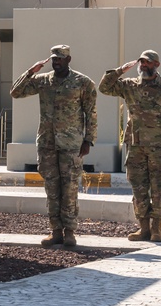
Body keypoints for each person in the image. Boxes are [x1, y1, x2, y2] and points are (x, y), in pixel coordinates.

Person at [10, 44, 97, 247]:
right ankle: (55, 230)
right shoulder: (43, 81)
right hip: (47, 143)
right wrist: (31, 72)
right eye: (54, 58)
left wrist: (88, 140)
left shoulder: (83, 83)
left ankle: (70, 232)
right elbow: (15, 92)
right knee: (52, 188)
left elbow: (91, 113)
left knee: (70, 188)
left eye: (60, 58)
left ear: (68, 60)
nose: (56, 61)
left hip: (72, 144)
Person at [99, 49, 161, 243]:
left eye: (148, 62)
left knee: (158, 189)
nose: (144, 65)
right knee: (138, 188)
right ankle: (143, 229)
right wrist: (120, 70)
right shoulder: (130, 85)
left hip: (160, 147)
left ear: (157, 65)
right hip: (136, 146)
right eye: (141, 62)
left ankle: (157, 229)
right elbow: (104, 88)